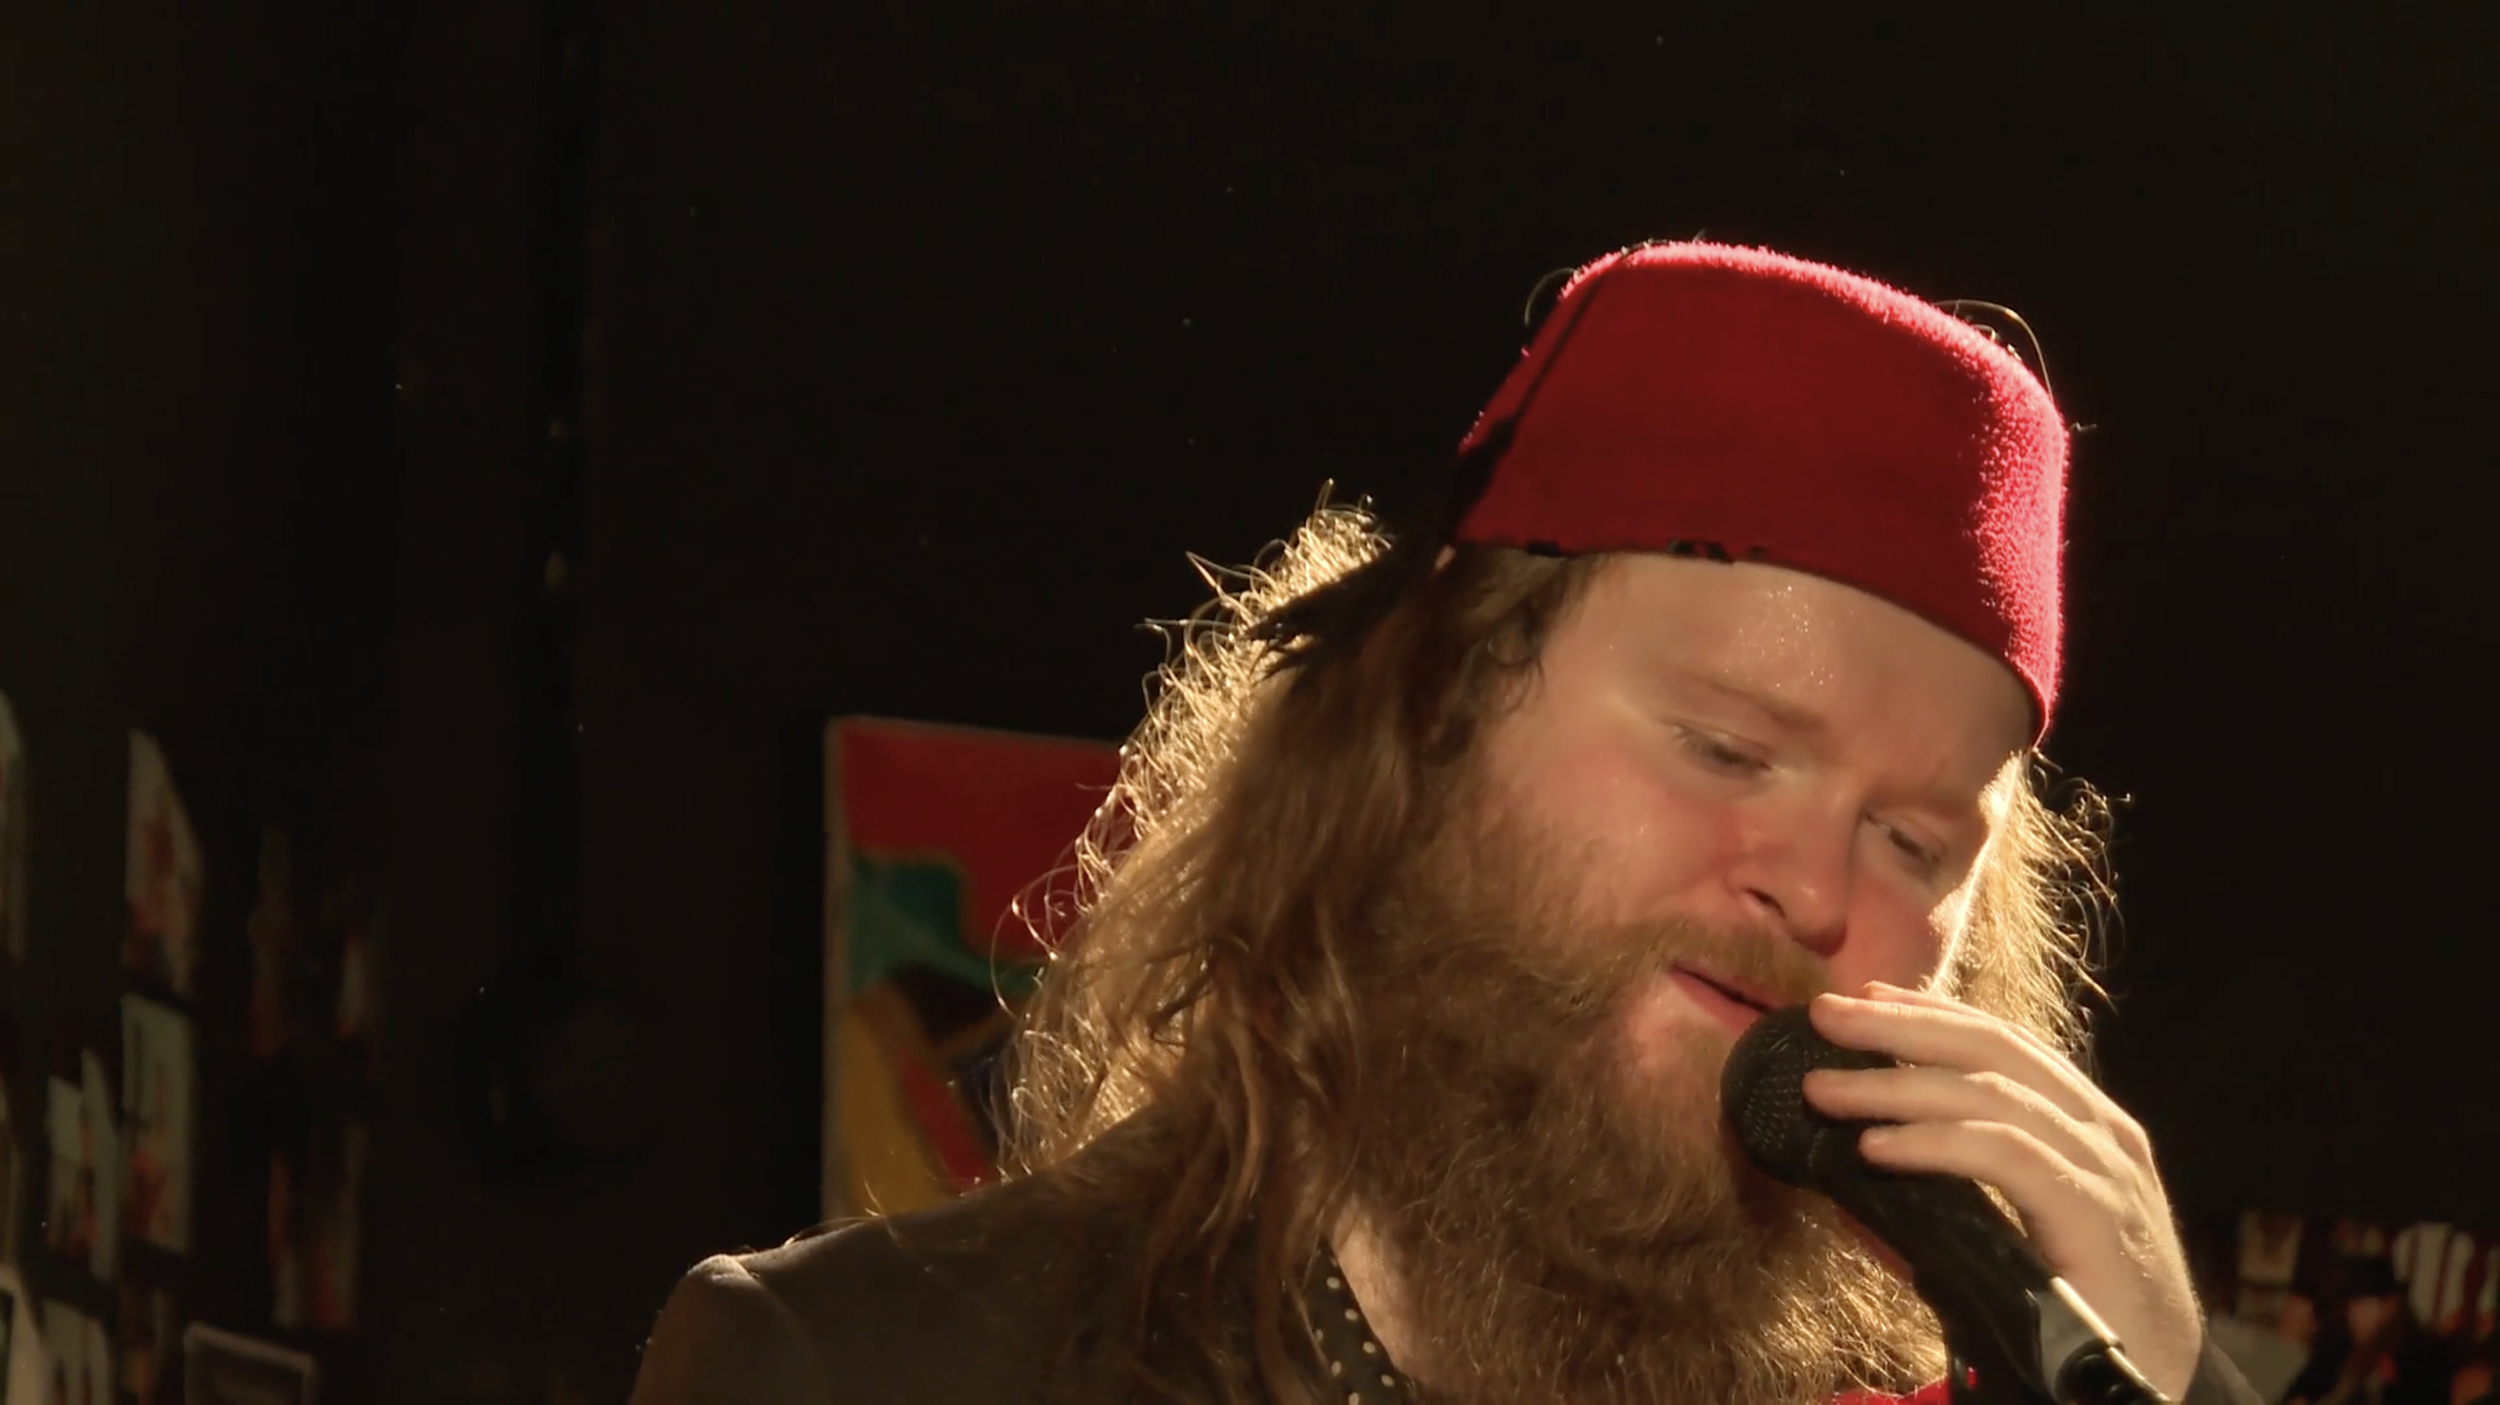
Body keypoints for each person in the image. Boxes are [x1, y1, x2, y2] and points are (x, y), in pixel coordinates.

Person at [627, 242, 2268, 1405]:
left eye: (1916, 844)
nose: (1816, 890)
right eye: (1725, 749)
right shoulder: (864, 1367)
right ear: (1432, 719)